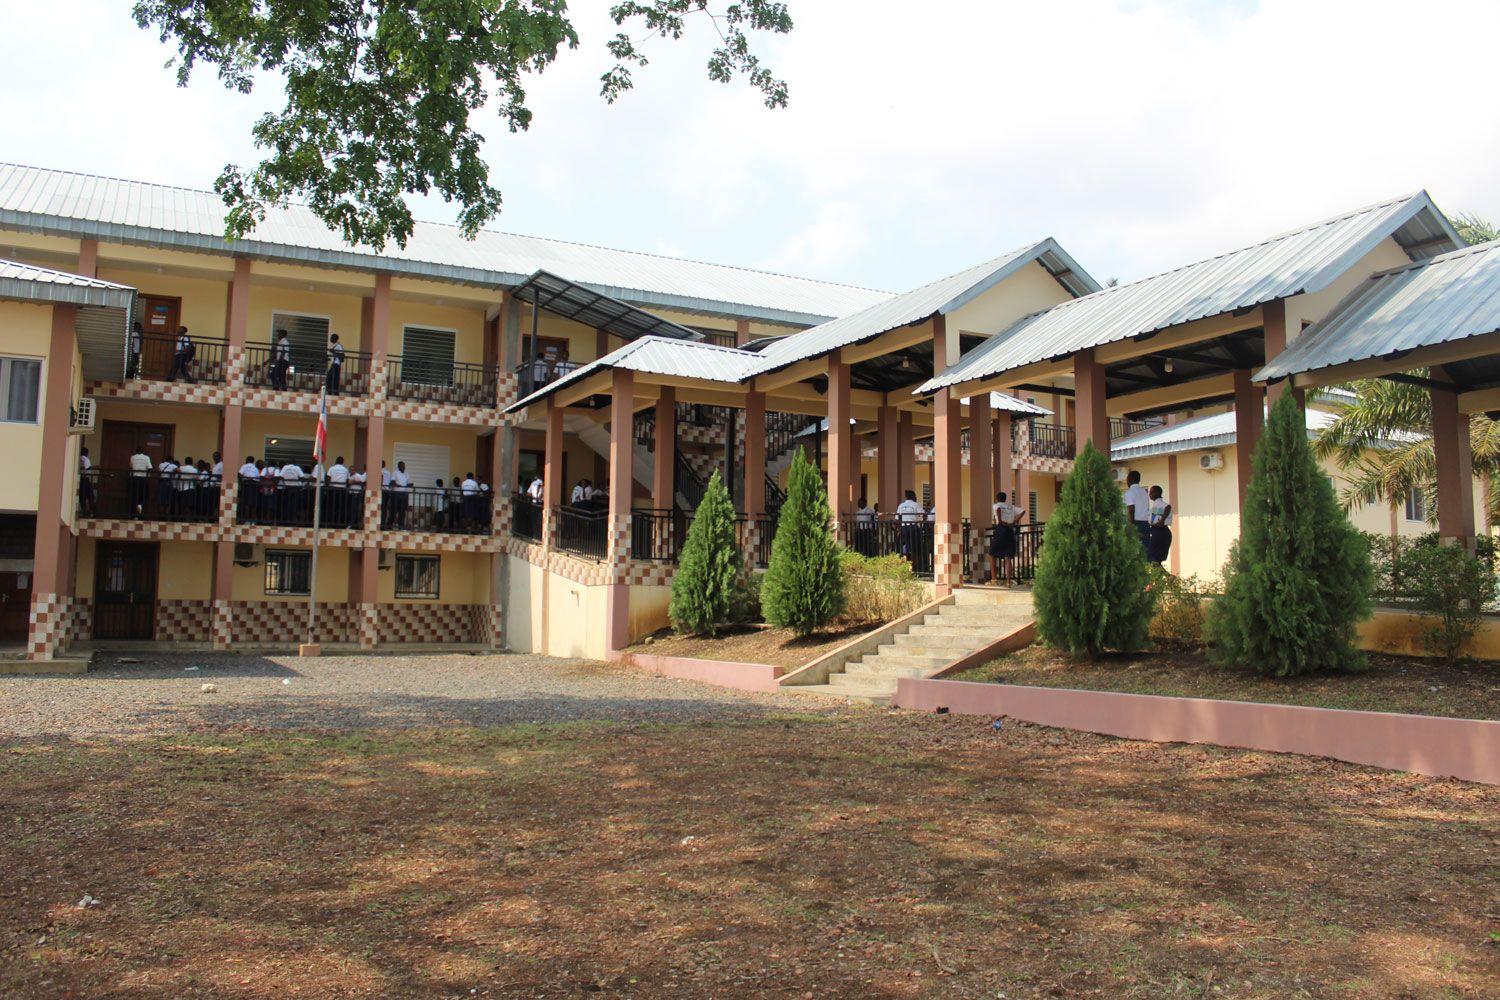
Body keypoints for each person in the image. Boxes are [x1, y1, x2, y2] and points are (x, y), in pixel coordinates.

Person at [989, 490, 1026, 584]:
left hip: (1001, 529)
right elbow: (1023, 511)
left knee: (992, 554)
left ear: (997, 499)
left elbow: (998, 510)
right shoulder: (1011, 507)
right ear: (1005, 499)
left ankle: (994, 579)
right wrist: (1015, 521)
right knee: (1008, 556)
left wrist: (1000, 520)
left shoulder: (996, 505)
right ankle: (1008, 582)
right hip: (1010, 530)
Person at [1122, 469, 1152, 551]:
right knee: (1145, 551)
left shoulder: (1129, 492)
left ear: (1130, 479)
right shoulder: (1144, 492)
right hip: (1146, 524)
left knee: (1134, 551)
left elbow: (1131, 509)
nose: (1126, 480)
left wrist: (1131, 526)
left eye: (1127, 478)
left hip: (1135, 523)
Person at [1148, 485, 1174, 566]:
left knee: (1151, 557)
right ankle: (1168, 577)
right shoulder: (1155, 505)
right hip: (1161, 532)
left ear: (1157, 493)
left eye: (1151, 492)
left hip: (1160, 532)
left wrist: (1162, 520)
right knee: (1155, 560)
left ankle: (1168, 577)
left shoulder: (1160, 504)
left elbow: (1168, 507)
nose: (1149, 494)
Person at [129, 445, 152, 517]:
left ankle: (133, 515)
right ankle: (140, 507)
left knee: (134, 496)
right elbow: (150, 468)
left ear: (136, 451)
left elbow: (130, 467)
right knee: (144, 495)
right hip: (143, 479)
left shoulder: (132, 457)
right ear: (143, 451)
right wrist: (148, 477)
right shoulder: (146, 457)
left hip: (134, 479)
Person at [237, 455, 260, 521]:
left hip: (246, 484)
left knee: (246, 502)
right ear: (253, 461)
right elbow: (258, 478)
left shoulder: (244, 466)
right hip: (254, 485)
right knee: (253, 503)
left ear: (247, 460)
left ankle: (246, 519)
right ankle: (253, 520)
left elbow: (239, 474)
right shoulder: (255, 468)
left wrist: (242, 481)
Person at [390, 460, 411, 528]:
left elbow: (408, 483)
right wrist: (398, 485)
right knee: (394, 510)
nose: (403, 467)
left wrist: (410, 485)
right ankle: (389, 525)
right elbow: (392, 482)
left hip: (404, 494)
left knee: (402, 511)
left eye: (404, 465)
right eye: (402, 465)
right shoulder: (395, 473)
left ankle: (401, 526)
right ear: (398, 466)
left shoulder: (407, 474)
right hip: (396, 494)